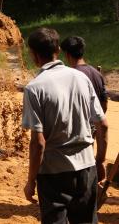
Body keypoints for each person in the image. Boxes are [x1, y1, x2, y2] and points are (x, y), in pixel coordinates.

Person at [22, 28, 108, 224]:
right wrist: (100, 161)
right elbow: (102, 124)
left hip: (54, 173)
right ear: (58, 49)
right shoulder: (81, 78)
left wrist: (30, 181)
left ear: (34, 55)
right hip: (86, 167)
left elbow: (38, 144)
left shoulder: (34, 88)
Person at [60, 36, 108, 113]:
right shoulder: (97, 73)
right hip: (95, 122)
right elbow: (104, 104)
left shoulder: (70, 76)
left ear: (67, 54)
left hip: (79, 124)